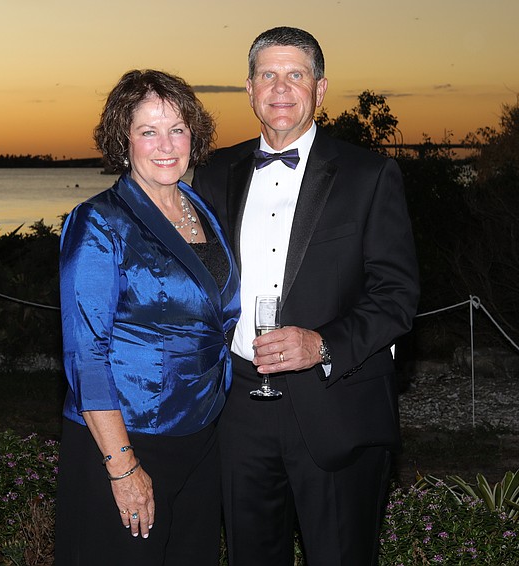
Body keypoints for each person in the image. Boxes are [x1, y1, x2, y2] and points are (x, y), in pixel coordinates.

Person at [193, 27, 420, 565]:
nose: (280, 88)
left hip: (336, 403)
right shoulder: (213, 174)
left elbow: (397, 295)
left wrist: (322, 344)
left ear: (319, 90)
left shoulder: (370, 175)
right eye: (268, 75)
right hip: (238, 408)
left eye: (295, 75)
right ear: (249, 89)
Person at [55, 69, 241, 565]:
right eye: (148, 131)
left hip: (202, 434)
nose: (166, 144)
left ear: (193, 137)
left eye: (177, 129)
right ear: (124, 140)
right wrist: (121, 468)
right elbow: (86, 357)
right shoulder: (99, 221)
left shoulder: (202, 209)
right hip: (129, 436)